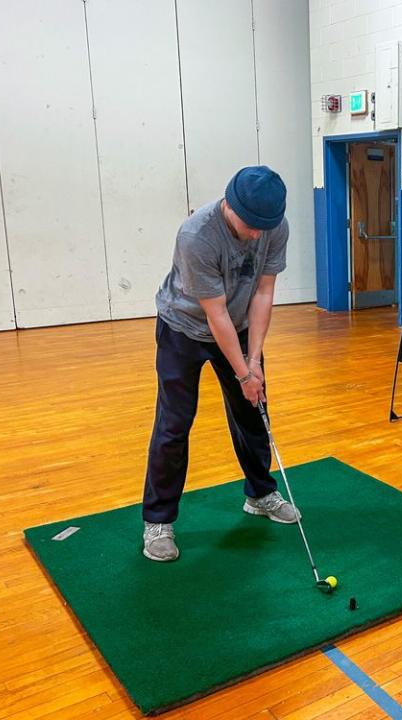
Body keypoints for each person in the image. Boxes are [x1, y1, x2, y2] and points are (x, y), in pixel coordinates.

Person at [141, 165, 300, 562]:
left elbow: (263, 293)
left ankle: (261, 495)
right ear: (229, 204)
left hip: (241, 324)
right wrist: (243, 372)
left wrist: (254, 360)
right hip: (184, 328)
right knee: (174, 424)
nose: (257, 234)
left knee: (253, 410)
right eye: (250, 225)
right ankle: (158, 521)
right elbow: (215, 317)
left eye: (266, 226)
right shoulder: (196, 235)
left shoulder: (273, 227)